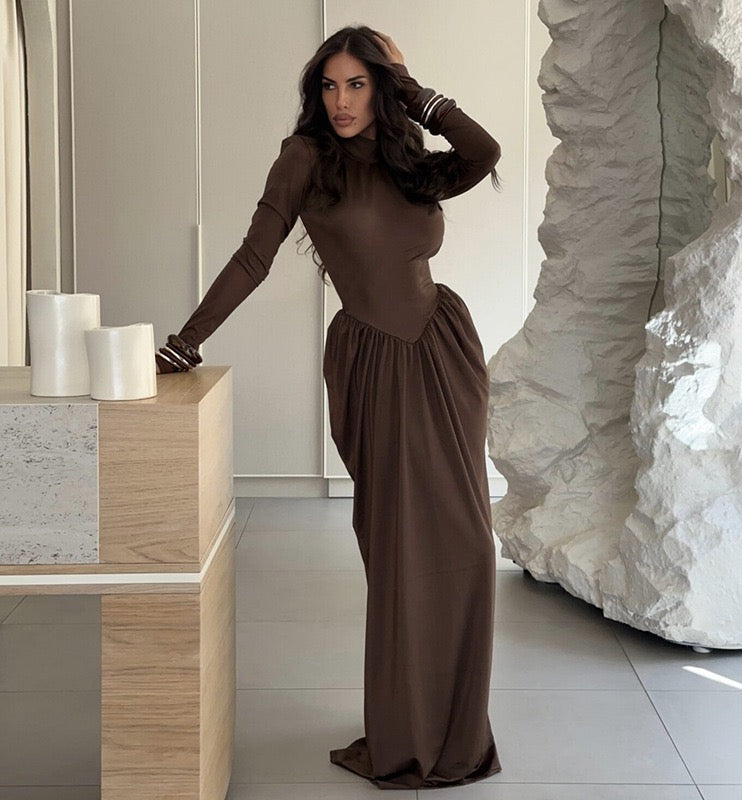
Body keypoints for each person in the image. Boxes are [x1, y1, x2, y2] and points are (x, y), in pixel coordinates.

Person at [156, 25, 502, 790]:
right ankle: (408, 735)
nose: (340, 100)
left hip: (445, 354)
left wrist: (414, 92)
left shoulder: (409, 159)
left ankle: (457, 731)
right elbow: (254, 256)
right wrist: (187, 340)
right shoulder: (305, 159)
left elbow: (483, 153)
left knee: (471, 547)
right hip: (374, 362)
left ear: (383, 87)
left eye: (357, 83)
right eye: (329, 84)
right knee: (399, 551)